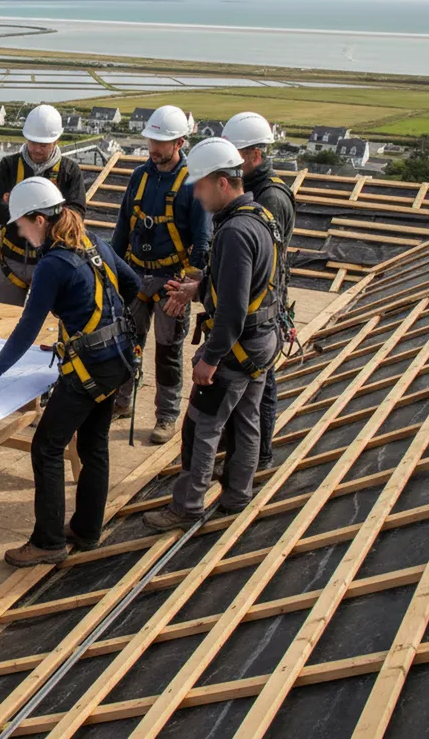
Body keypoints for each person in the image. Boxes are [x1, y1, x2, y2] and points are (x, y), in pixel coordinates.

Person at [0, 177, 140, 567]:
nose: (21, 234)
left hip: (89, 369)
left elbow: (28, 326)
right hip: (118, 359)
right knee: (93, 444)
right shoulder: (93, 242)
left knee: (47, 446)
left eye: (22, 226)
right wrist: (86, 329)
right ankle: (87, 530)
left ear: (39, 220)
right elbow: (132, 285)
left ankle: (47, 542)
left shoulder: (52, 264)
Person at [143, 137, 282, 531]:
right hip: (261, 340)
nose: (197, 196)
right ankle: (237, 495)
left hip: (236, 346)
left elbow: (234, 308)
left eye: (201, 186)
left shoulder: (235, 232)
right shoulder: (259, 218)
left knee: (202, 427)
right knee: (247, 419)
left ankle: (187, 506)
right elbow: (248, 284)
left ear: (223, 183)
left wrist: (211, 357)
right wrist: (199, 288)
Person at [111, 105, 211, 445]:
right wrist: (112, 270)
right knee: (127, 342)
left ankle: (167, 416)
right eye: (152, 139)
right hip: (136, 274)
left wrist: (187, 288)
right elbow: (124, 225)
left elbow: (202, 238)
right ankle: (122, 400)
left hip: (172, 279)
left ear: (180, 141)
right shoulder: (140, 176)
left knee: (168, 352)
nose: (154, 148)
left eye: (161, 141)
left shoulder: (192, 182)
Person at [222, 112, 295, 470]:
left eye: (237, 154)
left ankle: (259, 457)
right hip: (254, 308)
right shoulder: (254, 190)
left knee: (260, 386)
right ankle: (242, 456)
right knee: (250, 386)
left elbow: (264, 266)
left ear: (256, 155)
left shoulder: (271, 199)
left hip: (260, 312)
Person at [0, 104, 87, 306]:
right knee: (1, 320)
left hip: (51, 261)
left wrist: (17, 205)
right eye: (32, 142)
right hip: (11, 261)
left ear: (56, 140)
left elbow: (76, 215)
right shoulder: (10, 165)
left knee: (46, 325)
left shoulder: (69, 171)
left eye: (43, 144)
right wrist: (48, 212)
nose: (36, 149)